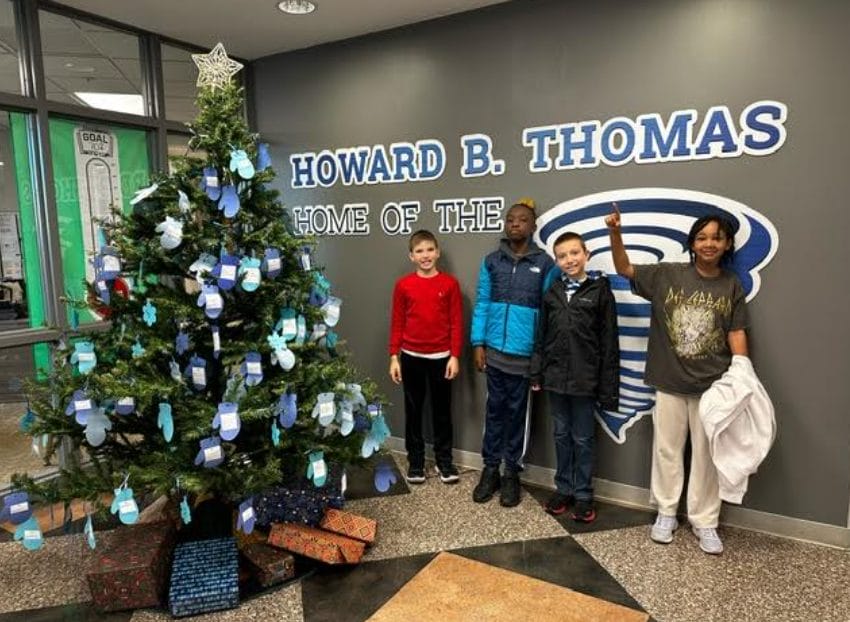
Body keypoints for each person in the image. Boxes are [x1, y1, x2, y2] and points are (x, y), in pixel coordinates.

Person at [605, 203, 748, 554]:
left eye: (717, 238)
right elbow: (624, 268)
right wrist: (615, 232)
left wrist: (744, 372)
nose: (709, 243)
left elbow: (737, 331)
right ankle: (666, 512)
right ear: (692, 243)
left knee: (707, 456)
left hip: (713, 387)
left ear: (727, 244)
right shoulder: (668, 274)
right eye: (702, 238)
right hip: (668, 382)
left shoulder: (731, 284)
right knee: (667, 450)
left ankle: (705, 521)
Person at [470, 198, 557, 507]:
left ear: (533, 226)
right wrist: (478, 343)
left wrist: (538, 356)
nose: (515, 224)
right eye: (510, 220)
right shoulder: (492, 261)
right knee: (494, 412)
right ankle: (490, 469)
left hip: (524, 358)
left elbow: (547, 314)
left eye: (522, 220)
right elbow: (482, 302)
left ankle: (511, 473)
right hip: (494, 353)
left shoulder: (546, 264)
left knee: (517, 416)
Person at [530, 231, 619, 523]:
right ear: (556, 261)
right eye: (562, 256)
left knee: (582, 438)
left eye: (574, 253)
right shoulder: (552, 292)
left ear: (586, 254)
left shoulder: (599, 291)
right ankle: (564, 489)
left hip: (585, 380)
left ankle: (583, 494)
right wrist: (537, 371)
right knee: (561, 435)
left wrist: (608, 387)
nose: (569, 260)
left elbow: (609, 342)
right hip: (555, 379)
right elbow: (541, 336)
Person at [389, 230, 463, 485]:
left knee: (442, 412)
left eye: (429, 249)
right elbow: (397, 322)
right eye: (419, 251)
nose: (425, 255)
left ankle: (445, 461)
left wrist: (454, 356)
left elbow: (456, 323)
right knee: (414, 411)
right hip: (411, 357)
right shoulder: (403, 285)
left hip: (442, 358)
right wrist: (393, 357)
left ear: (438, 252)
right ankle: (416, 462)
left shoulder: (450, 284)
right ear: (411, 256)